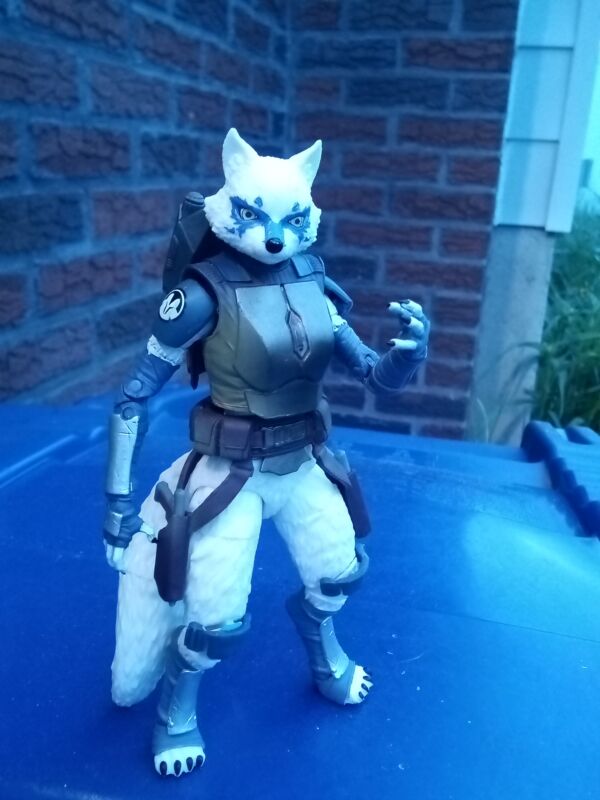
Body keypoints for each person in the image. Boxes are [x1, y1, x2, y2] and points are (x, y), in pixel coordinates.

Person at [103, 129, 430, 777]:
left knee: (339, 574)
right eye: (257, 216)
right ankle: (177, 710)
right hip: (232, 474)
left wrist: (408, 355)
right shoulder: (203, 292)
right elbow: (133, 395)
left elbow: (374, 374)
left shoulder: (314, 280)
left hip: (303, 461)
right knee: (217, 620)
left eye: (291, 220)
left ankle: (323, 652)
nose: (275, 238)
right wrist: (117, 503)